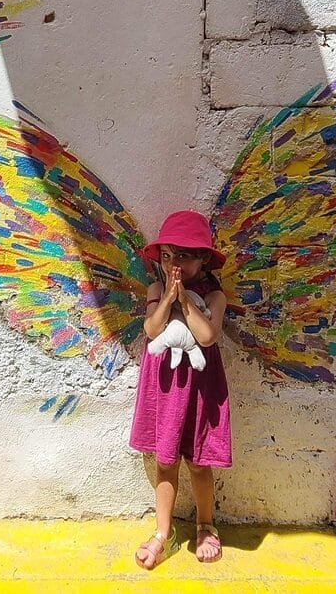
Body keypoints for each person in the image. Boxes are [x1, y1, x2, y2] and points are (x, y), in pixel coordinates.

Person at [129, 210, 231, 569]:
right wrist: (169, 297)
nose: (174, 264)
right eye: (168, 256)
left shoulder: (215, 296)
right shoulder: (157, 289)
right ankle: (163, 532)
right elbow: (153, 330)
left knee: (200, 463)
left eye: (184, 256)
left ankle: (206, 526)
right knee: (165, 460)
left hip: (201, 389)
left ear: (204, 259)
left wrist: (186, 299)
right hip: (164, 387)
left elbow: (206, 336)